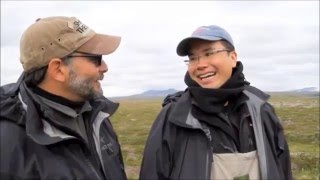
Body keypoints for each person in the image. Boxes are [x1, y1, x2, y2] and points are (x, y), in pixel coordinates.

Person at [140, 25, 292, 180]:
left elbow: (283, 168)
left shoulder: (261, 109)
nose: (200, 65)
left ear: (233, 57)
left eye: (209, 53)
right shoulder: (174, 116)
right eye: (193, 58)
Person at [0, 16, 127, 180]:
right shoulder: (8, 147)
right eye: (96, 58)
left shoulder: (97, 115)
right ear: (58, 69)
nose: (105, 67)